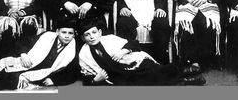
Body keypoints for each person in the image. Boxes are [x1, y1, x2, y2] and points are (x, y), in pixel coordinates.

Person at [78, 19, 206, 86]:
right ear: (83, 38)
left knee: (153, 72)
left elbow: (134, 44)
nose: (92, 37)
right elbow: (86, 77)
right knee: (144, 83)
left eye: (94, 33)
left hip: (133, 63)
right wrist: (96, 80)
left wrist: (123, 51)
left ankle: (187, 72)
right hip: (120, 76)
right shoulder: (84, 54)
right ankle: (188, 78)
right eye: (87, 35)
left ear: (100, 32)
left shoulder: (109, 39)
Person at [0, 18, 80, 90]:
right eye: (64, 32)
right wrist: (23, 53)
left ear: (74, 35)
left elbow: (72, 72)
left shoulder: (73, 50)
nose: (67, 36)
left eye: (70, 33)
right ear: (57, 32)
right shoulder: (47, 37)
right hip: (27, 64)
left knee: (10, 80)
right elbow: (24, 41)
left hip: (40, 74)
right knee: (1, 70)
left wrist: (54, 80)